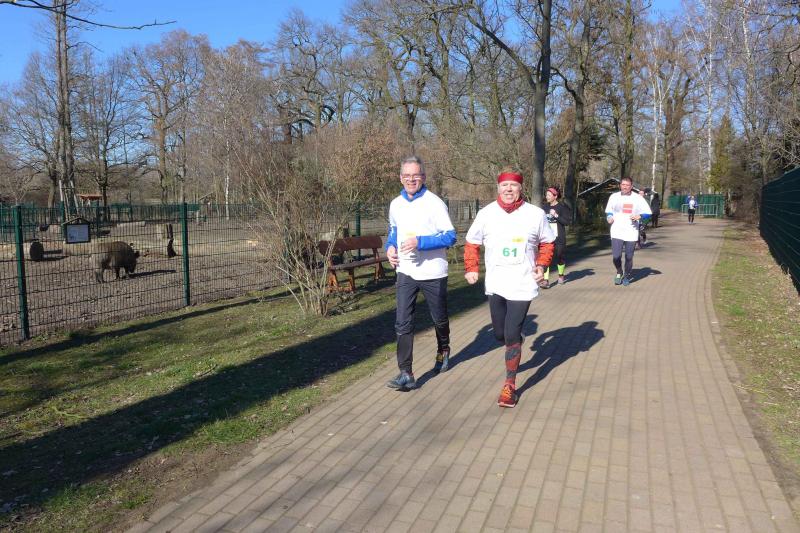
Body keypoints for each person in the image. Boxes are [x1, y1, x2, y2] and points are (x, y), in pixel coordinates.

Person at [464, 170, 555, 408]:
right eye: (504, 185)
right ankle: (515, 340)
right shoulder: (486, 214)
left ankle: (509, 386)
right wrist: (471, 267)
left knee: (511, 334)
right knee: (499, 334)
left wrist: (541, 265)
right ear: (498, 188)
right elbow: (472, 242)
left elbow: (547, 242)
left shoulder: (535, 214)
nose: (508, 189)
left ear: (520, 188)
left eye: (513, 186)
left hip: (522, 283)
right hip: (496, 283)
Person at [385, 156, 457, 391]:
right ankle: (406, 372)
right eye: (407, 176)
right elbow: (394, 230)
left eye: (415, 176)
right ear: (400, 178)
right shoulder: (395, 204)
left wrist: (420, 242)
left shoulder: (435, 203)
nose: (411, 180)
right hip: (406, 271)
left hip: (433, 271)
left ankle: (443, 349)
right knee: (402, 322)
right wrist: (390, 247)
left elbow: (450, 236)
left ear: (423, 177)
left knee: (439, 318)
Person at [605, 177, 652, 286]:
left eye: (627, 185)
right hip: (617, 230)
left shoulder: (638, 198)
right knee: (616, 256)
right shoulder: (614, 196)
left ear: (631, 186)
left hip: (631, 231)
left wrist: (640, 216)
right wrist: (609, 217)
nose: (625, 187)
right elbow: (609, 211)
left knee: (629, 257)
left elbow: (648, 213)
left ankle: (626, 275)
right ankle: (619, 272)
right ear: (620, 185)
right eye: (623, 184)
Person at [540, 186, 571, 288]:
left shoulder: (562, 207)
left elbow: (566, 222)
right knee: (545, 258)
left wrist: (556, 215)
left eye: (549, 195)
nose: (547, 197)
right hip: (547, 237)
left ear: (555, 196)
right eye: (546, 195)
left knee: (559, 257)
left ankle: (561, 276)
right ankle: (545, 280)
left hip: (559, 237)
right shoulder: (544, 207)